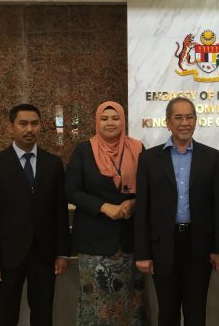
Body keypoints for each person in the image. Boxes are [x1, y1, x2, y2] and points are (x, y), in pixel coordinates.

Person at [134, 97, 219, 326]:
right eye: (178, 117)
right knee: (167, 312)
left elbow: (218, 205)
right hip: (163, 246)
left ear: (195, 121)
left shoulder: (211, 157)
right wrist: (142, 252)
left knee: (196, 312)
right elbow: (142, 208)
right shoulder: (149, 159)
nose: (184, 122)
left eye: (189, 117)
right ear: (168, 122)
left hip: (199, 246)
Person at [0, 104, 70, 326]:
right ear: (11, 127)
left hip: (44, 254)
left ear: (41, 126)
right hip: (6, 255)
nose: (29, 129)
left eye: (34, 123)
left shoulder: (53, 163)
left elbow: (60, 211)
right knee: (6, 315)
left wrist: (62, 253)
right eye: (23, 123)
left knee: (43, 314)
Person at [65, 101, 147, 325]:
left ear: (123, 121)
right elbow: (71, 191)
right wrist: (103, 207)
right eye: (104, 118)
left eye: (115, 118)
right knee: (96, 305)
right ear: (97, 122)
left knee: (130, 305)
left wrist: (134, 203)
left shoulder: (138, 148)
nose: (110, 122)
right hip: (94, 244)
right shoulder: (83, 151)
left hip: (130, 243)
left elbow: (149, 188)